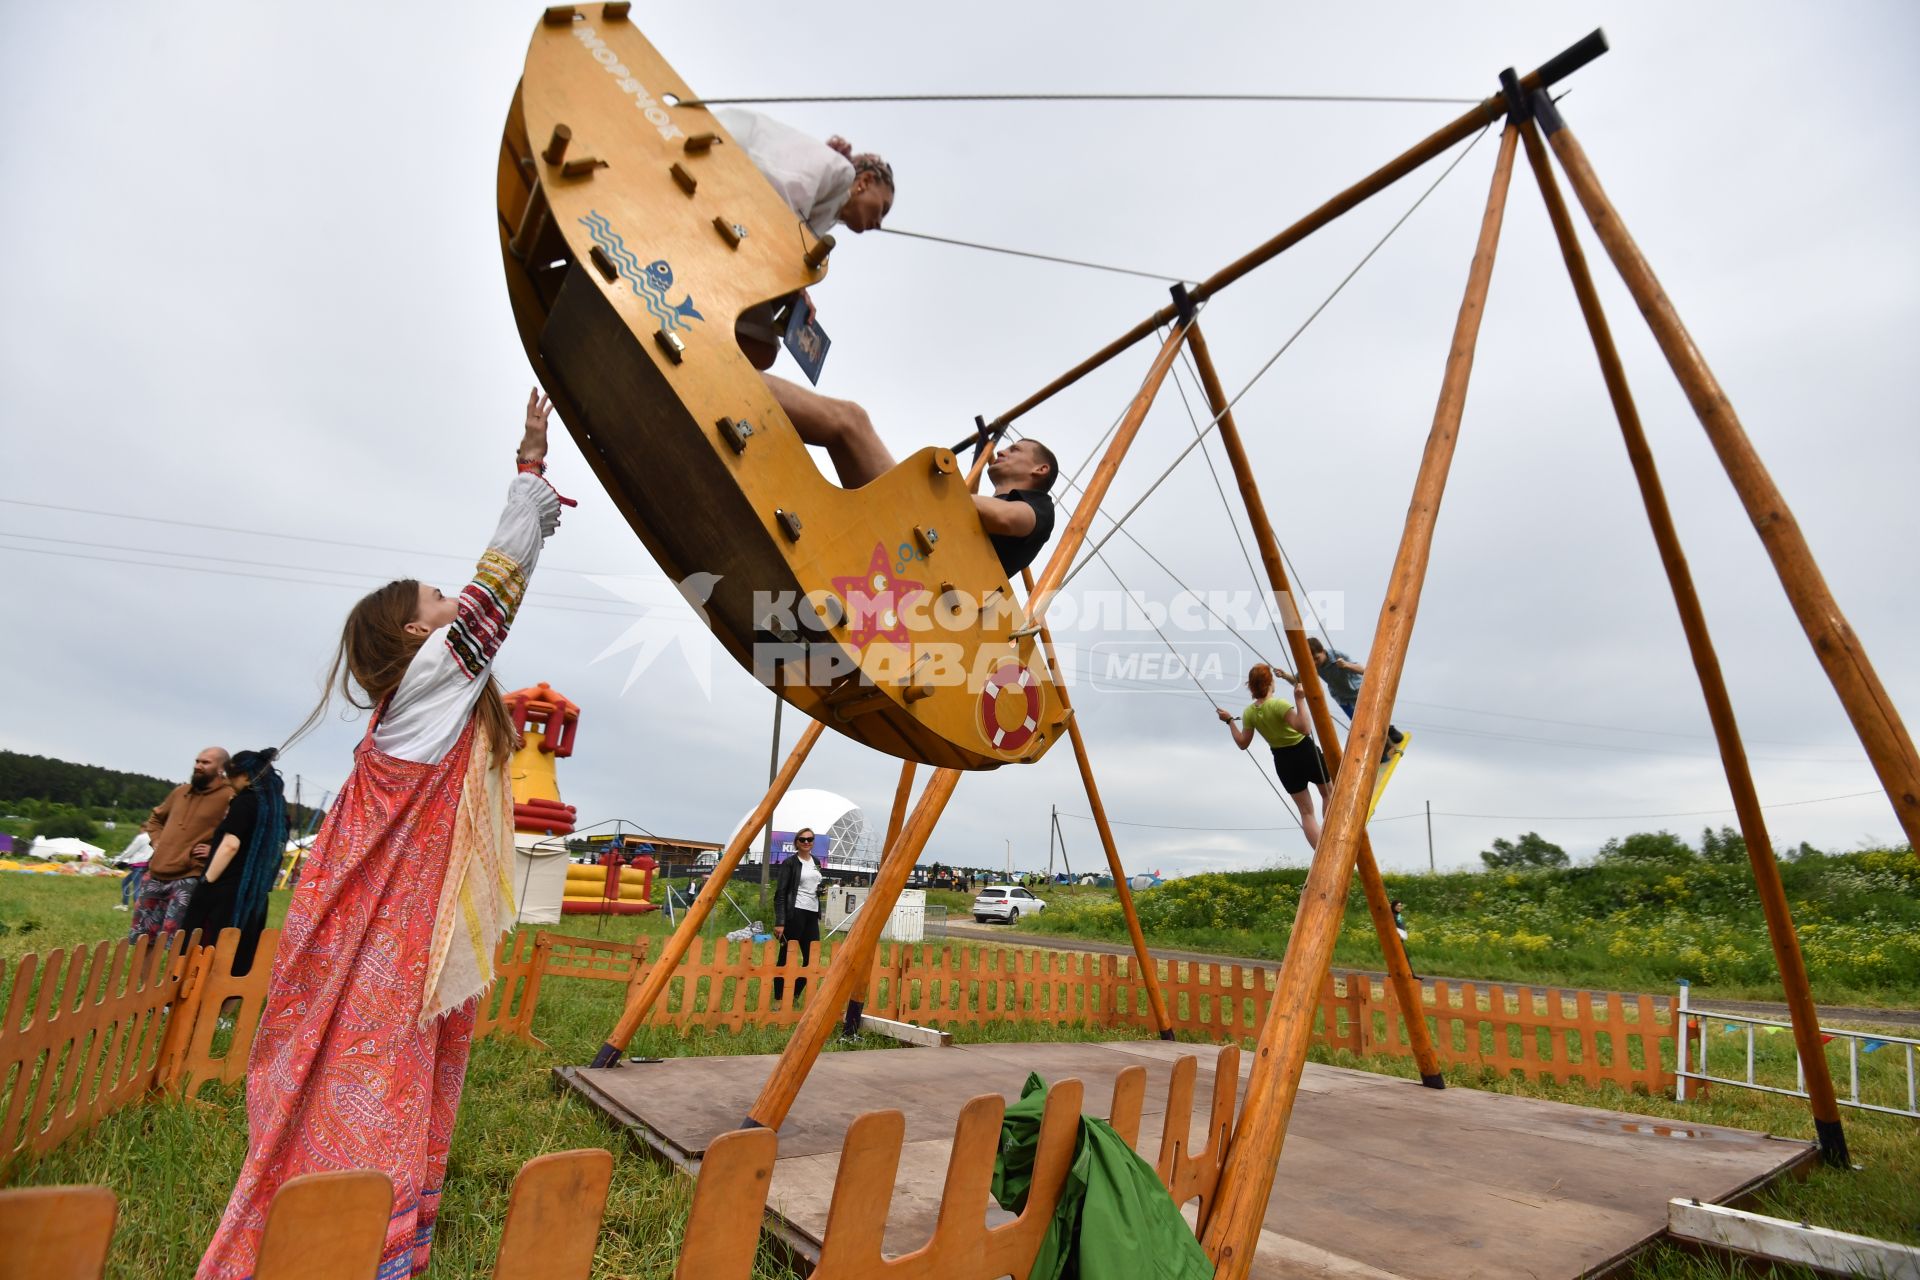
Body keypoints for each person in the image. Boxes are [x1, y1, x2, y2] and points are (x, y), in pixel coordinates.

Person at [198, 390, 565, 1280]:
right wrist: (528, 472)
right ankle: (348, 1247)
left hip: (394, 933)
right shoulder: (433, 681)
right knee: (376, 1076)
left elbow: (482, 600)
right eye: (434, 597)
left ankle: (360, 1236)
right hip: (385, 942)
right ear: (413, 631)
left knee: (390, 1070)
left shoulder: (420, 708)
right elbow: (496, 593)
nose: (450, 600)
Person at [715, 111, 894, 371]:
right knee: (759, 348)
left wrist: (793, 287)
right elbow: (778, 195)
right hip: (730, 201)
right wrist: (795, 281)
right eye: (884, 208)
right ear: (865, 182)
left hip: (736, 224)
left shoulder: (824, 218)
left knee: (762, 349)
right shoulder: (840, 171)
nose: (879, 223)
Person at [179, 750, 288, 976]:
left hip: (224, 892)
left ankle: (186, 1002)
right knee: (239, 955)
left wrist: (207, 881)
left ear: (247, 777)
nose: (229, 782)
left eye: (232, 777)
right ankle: (221, 1009)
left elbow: (230, 845)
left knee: (201, 946)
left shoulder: (245, 803)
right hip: (254, 894)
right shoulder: (278, 812)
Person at [1216, 664, 1331, 849]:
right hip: (1304, 751)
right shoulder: (1279, 704)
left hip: (1283, 761)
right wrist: (1299, 699)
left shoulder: (1250, 713)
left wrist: (1230, 721)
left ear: (1251, 687)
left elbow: (1242, 743)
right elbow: (1304, 728)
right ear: (1270, 683)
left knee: (1306, 813)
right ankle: (1333, 836)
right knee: (1328, 794)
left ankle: (1322, 853)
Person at [130, 747, 233, 944]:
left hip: (189, 875)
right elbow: (156, 819)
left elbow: (237, 833)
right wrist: (157, 841)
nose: (198, 766)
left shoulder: (229, 796)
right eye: (197, 761)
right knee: (144, 938)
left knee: (176, 940)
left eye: (205, 763)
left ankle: (171, 976)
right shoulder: (181, 792)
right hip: (156, 871)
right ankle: (144, 976)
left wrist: (215, 851)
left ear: (222, 768)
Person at [1306, 636, 1404, 758]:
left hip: (1358, 691)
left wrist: (1346, 665)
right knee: (1361, 724)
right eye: (1312, 660)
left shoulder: (1337, 655)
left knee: (1374, 716)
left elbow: (1363, 670)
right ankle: (1383, 749)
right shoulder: (1310, 665)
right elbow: (1297, 680)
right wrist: (1285, 676)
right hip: (1342, 698)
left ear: (1323, 651)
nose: (1315, 663)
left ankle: (1390, 730)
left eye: (1317, 658)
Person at [770, 827, 824, 1008]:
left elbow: (814, 884)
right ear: (796, 843)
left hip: (811, 913)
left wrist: (820, 890)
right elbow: (781, 893)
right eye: (803, 839)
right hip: (795, 913)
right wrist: (780, 922)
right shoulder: (790, 863)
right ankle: (778, 999)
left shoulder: (816, 862)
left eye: (810, 839)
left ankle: (793, 995)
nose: (807, 842)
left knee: (812, 959)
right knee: (786, 956)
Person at [115, 830, 153, 911]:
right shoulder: (155, 836)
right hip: (145, 865)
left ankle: (138, 910)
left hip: (138, 865)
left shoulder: (142, 837)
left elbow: (130, 850)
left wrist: (119, 859)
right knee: (125, 882)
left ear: (143, 828)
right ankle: (125, 905)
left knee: (137, 888)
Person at [1390, 898, 1419, 980]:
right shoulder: (1392, 915)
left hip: (1400, 939)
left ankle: (1390, 974)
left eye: (1400, 905)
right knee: (1403, 957)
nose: (1399, 907)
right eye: (1397, 906)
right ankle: (1412, 975)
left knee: (1396, 958)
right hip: (1396, 939)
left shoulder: (1398, 915)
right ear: (1393, 906)